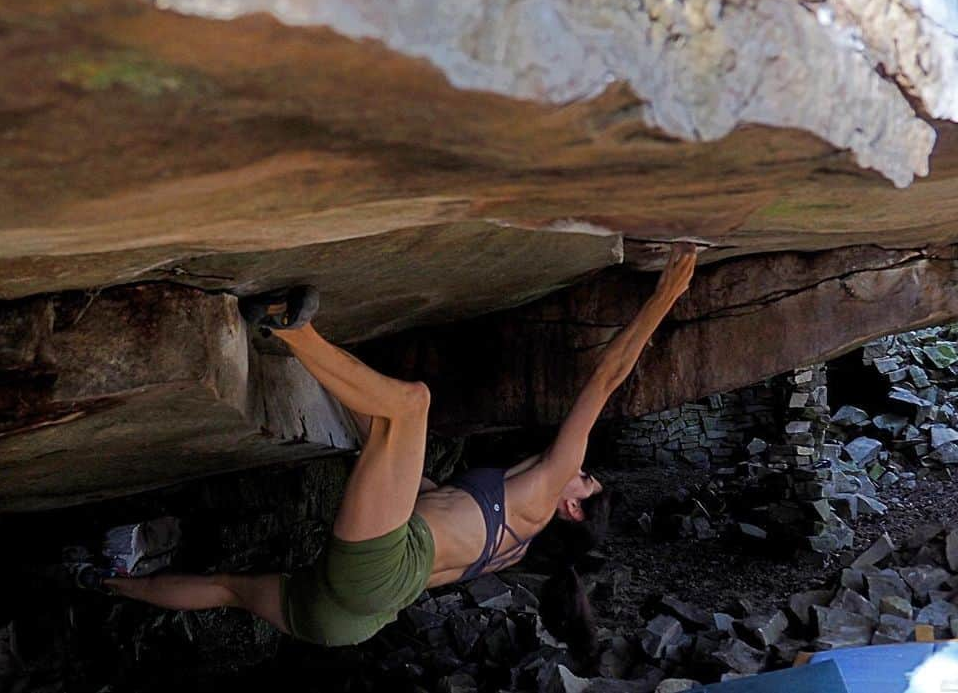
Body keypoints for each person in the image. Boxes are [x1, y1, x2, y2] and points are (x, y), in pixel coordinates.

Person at [93, 245, 698, 647]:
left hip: (378, 578)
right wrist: (368, 435)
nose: (582, 470)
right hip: (353, 618)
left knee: (411, 405)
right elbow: (420, 499)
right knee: (225, 586)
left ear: (572, 507)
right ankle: (101, 583)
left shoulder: (544, 491)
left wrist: (666, 296)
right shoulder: (510, 547)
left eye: (586, 482)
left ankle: (285, 323)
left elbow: (607, 377)